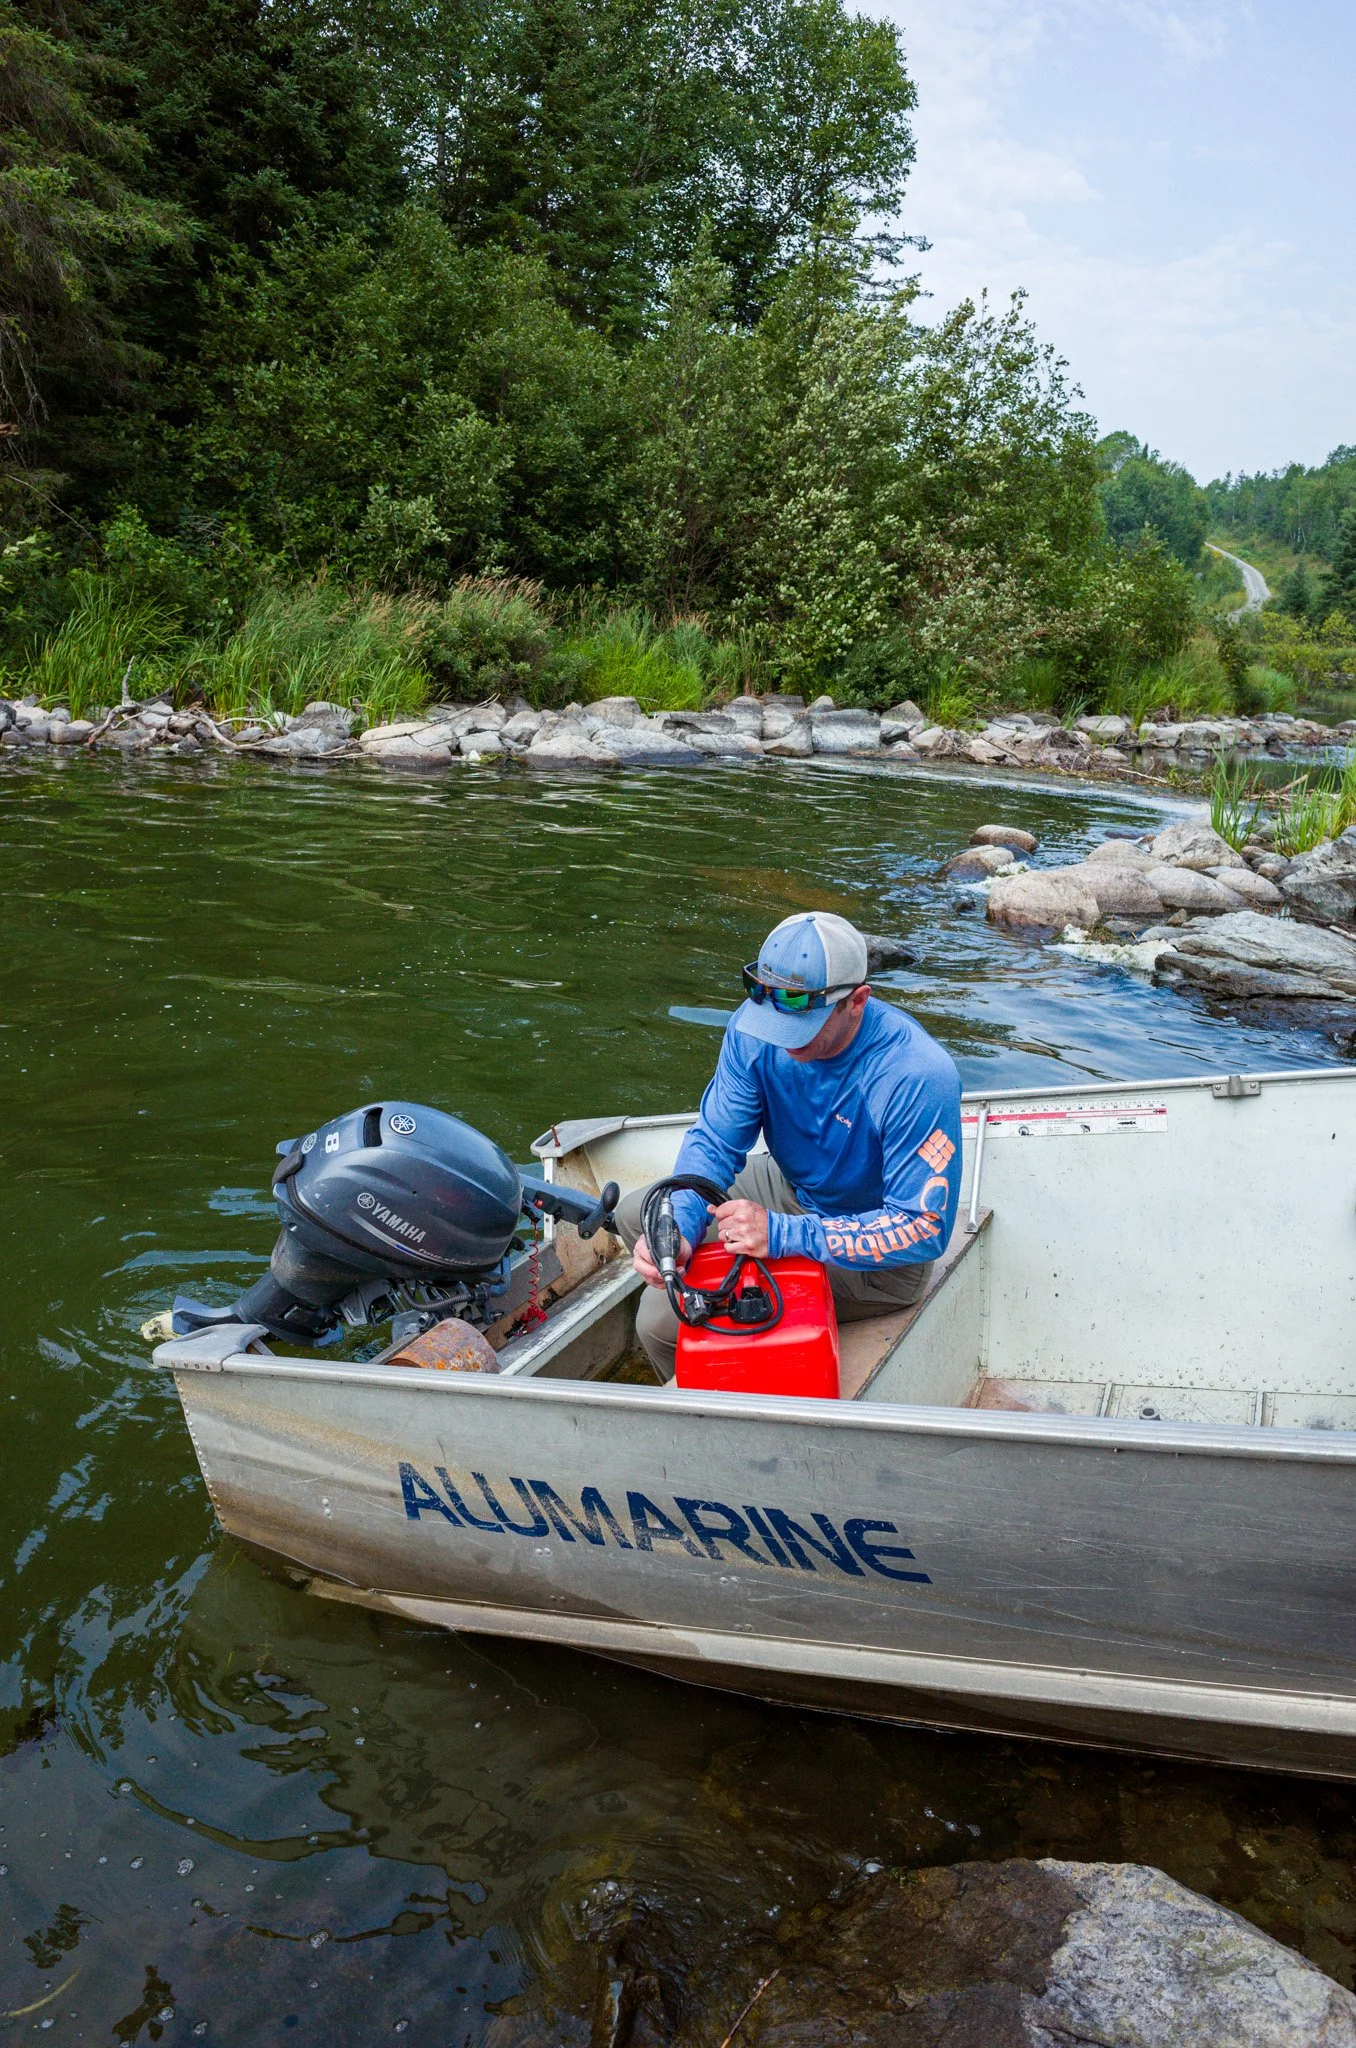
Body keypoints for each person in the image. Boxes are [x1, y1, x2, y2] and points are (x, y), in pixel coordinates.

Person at [616, 911, 964, 1380]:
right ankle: (712, 1346)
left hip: (877, 1252)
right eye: (770, 1015)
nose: (780, 1039)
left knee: (658, 1323)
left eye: (801, 1023)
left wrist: (782, 1236)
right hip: (791, 1186)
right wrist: (678, 1227)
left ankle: (712, 1403)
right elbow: (716, 1143)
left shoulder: (916, 1074)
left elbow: (923, 1229)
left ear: (858, 1000)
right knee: (643, 1215)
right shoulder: (753, 1029)